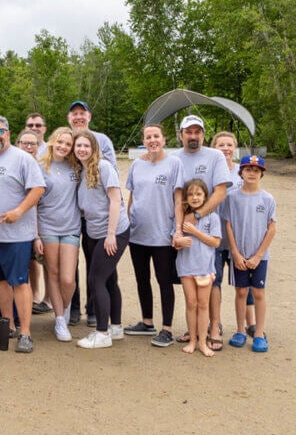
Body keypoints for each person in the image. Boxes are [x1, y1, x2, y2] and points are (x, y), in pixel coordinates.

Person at [0, 115, 45, 353]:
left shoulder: (22, 159)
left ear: (8, 132)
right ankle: (8, 324)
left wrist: (19, 211)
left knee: (19, 282)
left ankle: (26, 332)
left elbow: (38, 188)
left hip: (16, 236)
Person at [173, 115, 231, 350]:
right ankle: (194, 331)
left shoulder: (215, 156)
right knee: (190, 293)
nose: (193, 136)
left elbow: (219, 192)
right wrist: (179, 228)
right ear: (181, 135)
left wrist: (196, 217)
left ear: (203, 135)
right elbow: (176, 195)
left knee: (211, 282)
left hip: (204, 227)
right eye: (189, 132)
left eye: (197, 132)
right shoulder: (174, 157)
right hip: (183, 230)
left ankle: (214, 329)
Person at [124, 124, 184, 347]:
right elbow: (133, 196)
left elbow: (179, 199)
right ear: (144, 140)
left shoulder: (174, 164)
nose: (152, 140)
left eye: (156, 136)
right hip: (138, 234)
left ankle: (166, 328)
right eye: (148, 137)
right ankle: (146, 321)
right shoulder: (137, 164)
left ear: (164, 139)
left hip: (162, 235)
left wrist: (177, 229)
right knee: (142, 279)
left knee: (164, 280)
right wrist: (128, 222)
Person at [72, 130, 130, 349]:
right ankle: (115, 327)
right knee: (108, 279)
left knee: (96, 279)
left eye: (86, 146)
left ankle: (102, 332)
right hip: (94, 231)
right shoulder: (82, 169)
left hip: (113, 231)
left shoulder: (104, 167)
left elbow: (115, 200)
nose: (82, 150)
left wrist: (111, 234)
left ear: (94, 147)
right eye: (78, 146)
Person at [67, 100, 117, 327]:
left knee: (94, 263)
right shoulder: (66, 138)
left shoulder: (101, 140)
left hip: (95, 214)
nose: (78, 117)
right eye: (74, 114)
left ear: (89, 116)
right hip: (71, 212)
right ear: (69, 118)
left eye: (82, 113)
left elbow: (109, 172)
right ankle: (74, 307)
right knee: (70, 262)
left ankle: (94, 308)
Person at [225, 155, 276, 353]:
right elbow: (228, 225)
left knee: (259, 293)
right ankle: (240, 330)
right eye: (248, 169)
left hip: (259, 256)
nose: (252, 173)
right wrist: (235, 254)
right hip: (239, 254)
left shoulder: (267, 198)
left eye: (256, 170)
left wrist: (258, 255)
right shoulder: (232, 197)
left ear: (261, 173)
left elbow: (271, 229)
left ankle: (259, 333)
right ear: (241, 173)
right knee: (240, 292)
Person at [34, 128, 80, 342]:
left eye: (68, 144)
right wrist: (36, 236)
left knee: (68, 279)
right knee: (52, 273)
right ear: (53, 142)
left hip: (71, 226)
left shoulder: (75, 166)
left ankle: (64, 307)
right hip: (48, 227)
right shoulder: (40, 165)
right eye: (60, 142)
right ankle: (60, 319)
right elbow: (33, 202)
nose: (63, 146)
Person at [211, 132, 255, 336]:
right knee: (215, 281)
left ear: (235, 148)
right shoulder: (211, 171)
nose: (225, 148)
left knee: (245, 284)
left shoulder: (242, 171)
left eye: (229, 144)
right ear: (214, 147)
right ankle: (215, 323)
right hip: (217, 238)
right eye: (221, 144)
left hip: (240, 240)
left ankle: (251, 323)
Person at [174, 179, 221, 357]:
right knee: (191, 303)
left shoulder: (213, 217)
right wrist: (179, 241)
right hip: (186, 267)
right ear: (186, 197)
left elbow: (215, 242)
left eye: (198, 194)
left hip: (205, 267)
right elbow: (175, 240)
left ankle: (203, 341)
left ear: (205, 197)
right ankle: (192, 340)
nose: (195, 197)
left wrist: (195, 232)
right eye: (191, 194)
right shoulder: (182, 217)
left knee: (203, 304)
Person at [15, 129, 51, 314]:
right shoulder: (15, 164)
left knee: (47, 264)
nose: (29, 147)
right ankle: (33, 297)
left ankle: (48, 300)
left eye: (33, 144)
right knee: (28, 263)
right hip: (20, 225)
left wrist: (37, 234)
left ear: (39, 146)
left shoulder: (44, 167)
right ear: (17, 144)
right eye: (24, 143)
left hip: (43, 223)